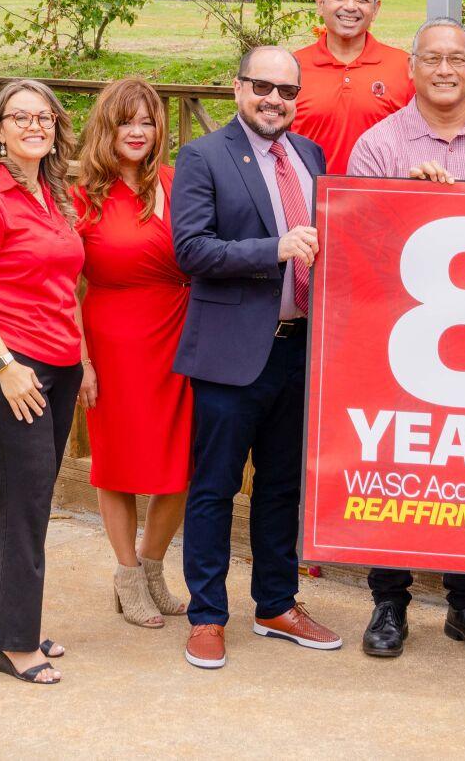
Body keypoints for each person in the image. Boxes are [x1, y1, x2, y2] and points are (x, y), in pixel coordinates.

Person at [346, 16, 465, 659]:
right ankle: (389, 602)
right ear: (413, 68)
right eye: (432, 58)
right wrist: (402, 200)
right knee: (400, 463)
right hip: (404, 335)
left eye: (457, 58)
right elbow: (362, 243)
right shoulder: (377, 146)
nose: (445, 69)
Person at [170, 46, 343, 671]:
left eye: (287, 91)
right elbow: (190, 250)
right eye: (262, 86)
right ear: (237, 87)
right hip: (231, 355)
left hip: (300, 352)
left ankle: (275, 603)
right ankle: (207, 616)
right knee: (214, 489)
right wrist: (274, 248)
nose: (275, 99)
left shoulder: (311, 155)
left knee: (281, 486)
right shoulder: (202, 156)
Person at [0, 80, 86, 686]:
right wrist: (5, 366)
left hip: (57, 366)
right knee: (27, 505)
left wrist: (83, 359)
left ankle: (3, 617)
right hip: (9, 371)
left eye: (44, 116)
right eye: (20, 117)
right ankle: (15, 643)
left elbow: (65, 289)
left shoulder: (53, 195)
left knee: (22, 500)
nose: (35, 125)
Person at [73, 78, 191, 630]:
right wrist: (82, 360)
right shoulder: (82, 195)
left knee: (180, 466)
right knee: (117, 466)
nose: (138, 131)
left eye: (147, 121)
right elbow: (61, 283)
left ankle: (152, 566)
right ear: (107, 127)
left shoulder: (176, 181)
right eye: (126, 121)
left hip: (179, 335)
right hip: (113, 338)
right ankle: (124, 574)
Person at [291, 0, 414, 173]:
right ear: (320, 4)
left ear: (375, 9)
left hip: (380, 200)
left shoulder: (405, 67)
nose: (350, 7)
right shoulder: (292, 68)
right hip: (307, 200)